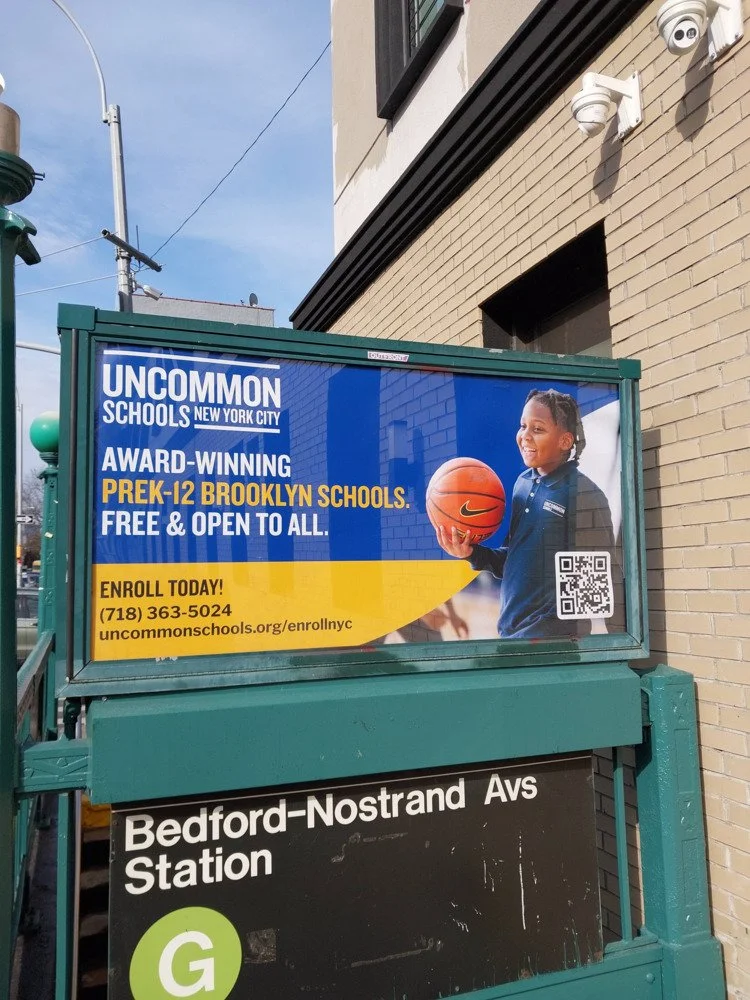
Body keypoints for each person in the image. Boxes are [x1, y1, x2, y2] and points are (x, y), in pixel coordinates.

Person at [436, 388, 618, 639]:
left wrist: (621, 647)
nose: (525, 436)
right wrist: (472, 553)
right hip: (512, 632)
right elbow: (512, 559)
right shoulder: (523, 483)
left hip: (552, 640)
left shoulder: (584, 494)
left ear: (565, 441)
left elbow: (598, 582)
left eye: (538, 429)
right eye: (523, 426)